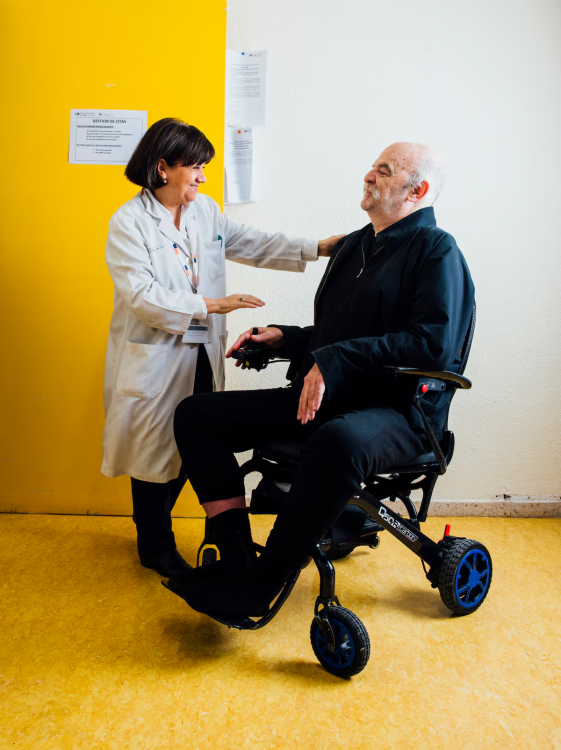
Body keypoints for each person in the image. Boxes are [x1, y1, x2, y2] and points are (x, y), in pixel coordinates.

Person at [169, 142, 475, 618]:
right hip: (328, 401)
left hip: (399, 412)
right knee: (197, 414)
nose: (369, 176)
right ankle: (234, 552)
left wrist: (333, 358)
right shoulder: (356, 245)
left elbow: (431, 345)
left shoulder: (437, 251)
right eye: (372, 166)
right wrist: (285, 339)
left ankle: (260, 583)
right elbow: (337, 336)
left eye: (384, 171)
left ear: (419, 190)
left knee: (337, 440)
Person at [101, 117, 342, 579]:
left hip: (199, 353)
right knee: (153, 454)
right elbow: (142, 297)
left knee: (197, 438)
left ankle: (202, 535)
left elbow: (253, 242)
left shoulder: (205, 211)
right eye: (195, 166)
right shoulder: (128, 223)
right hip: (156, 354)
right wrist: (211, 304)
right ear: (163, 166)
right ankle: (153, 543)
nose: (203, 176)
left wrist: (319, 247)